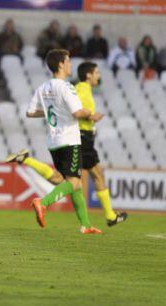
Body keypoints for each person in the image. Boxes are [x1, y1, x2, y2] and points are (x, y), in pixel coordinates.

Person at [9, 61, 128, 227]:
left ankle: (27, 159)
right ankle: (109, 216)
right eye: (97, 73)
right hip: (80, 137)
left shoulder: (83, 89)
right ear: (88, 75)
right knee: (90, 176)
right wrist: (89, 115)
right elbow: (73, 110)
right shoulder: (79, 89)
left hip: (78, 137)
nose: (99, 76)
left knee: (67, 181)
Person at [26, 50, 103, 235]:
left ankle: (85, 224)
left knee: (71, 182)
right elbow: (77, 113)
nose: (70, 64)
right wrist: (89, 113)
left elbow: (30, 112)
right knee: (74, 182)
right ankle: (42, 203)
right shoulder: (67, 87)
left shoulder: (43, 88)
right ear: (60, 64)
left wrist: (54, 111)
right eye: (68, 61)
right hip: (69, 140)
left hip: (53, 142)